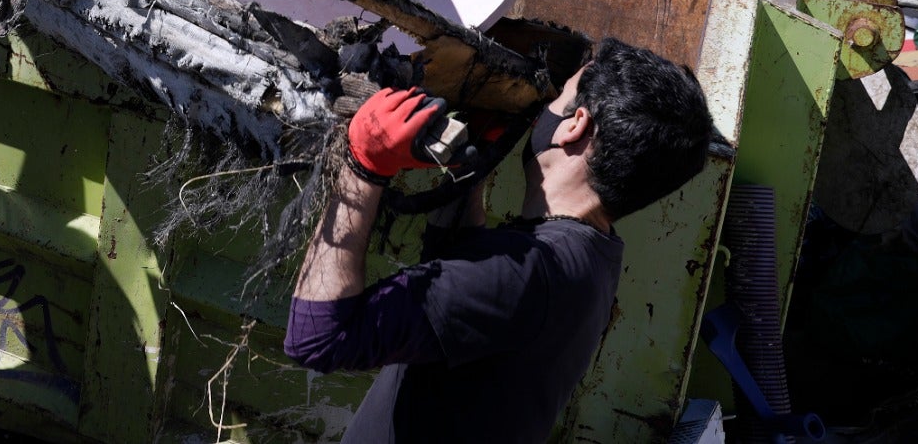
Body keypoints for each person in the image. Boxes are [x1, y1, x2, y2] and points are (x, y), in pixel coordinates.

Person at [285, 38, 714, 443]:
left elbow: (317, 339)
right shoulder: (591, 254)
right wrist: (468, 174)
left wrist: (362, 168)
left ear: (575, 126)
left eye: (558, 101)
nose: (545, 111)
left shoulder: (524, 271)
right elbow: (462, 306)